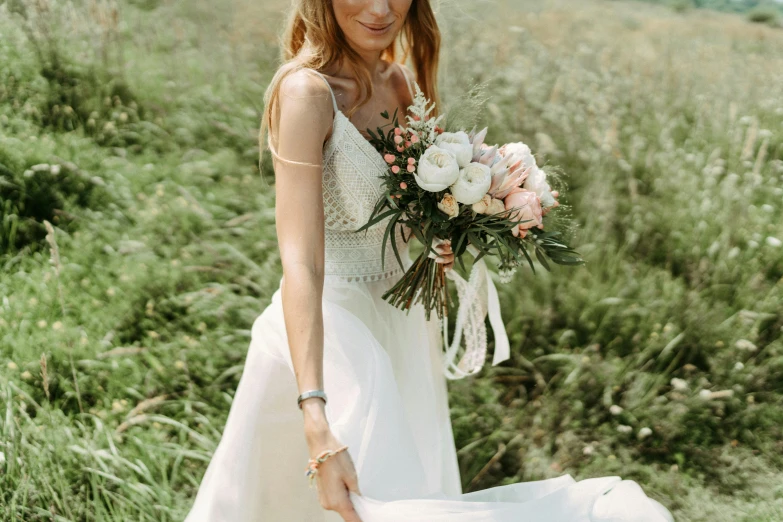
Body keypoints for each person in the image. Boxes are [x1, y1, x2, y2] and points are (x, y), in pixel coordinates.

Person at [184, 1, 675, 521]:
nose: (381, 8)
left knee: (400, 491)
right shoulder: (306, 92)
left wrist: (451, 227)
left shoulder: (398, 84)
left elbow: (405, 208)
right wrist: (314, 411)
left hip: (402, 322)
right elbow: (301, 263)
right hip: (333, 333)